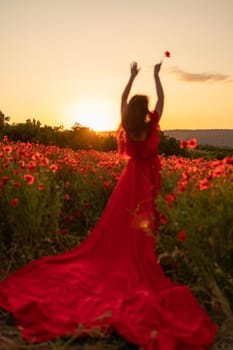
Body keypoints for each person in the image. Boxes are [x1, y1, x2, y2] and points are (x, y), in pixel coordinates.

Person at [0, 62, 217, 350]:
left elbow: (122, 101)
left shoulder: (129, 125)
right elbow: (162, 101)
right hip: (147, 179)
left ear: (131, 113)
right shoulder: (151, 126)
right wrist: (155, 77)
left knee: (118, 224)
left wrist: (132, 77)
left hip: (129, 181)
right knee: (144, 223)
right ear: (147, 111)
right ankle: (143, 256)